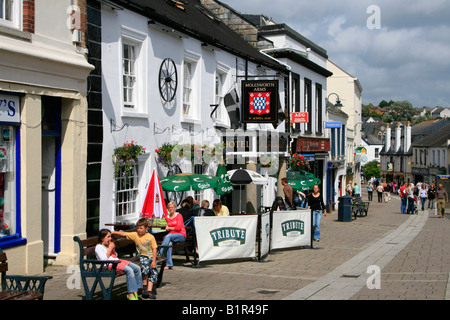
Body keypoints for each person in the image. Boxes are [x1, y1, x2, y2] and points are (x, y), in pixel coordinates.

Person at [112, 218, 158, 299]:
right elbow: (123, 234)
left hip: (151, 256)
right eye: (137, 228)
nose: (139, 230)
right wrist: (113, 232)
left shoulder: (150, 237)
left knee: (153, 272)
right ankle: (144, 289)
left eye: (141, 228)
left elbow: (154, 249)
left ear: (146, 228)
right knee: (146, 269)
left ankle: (149, 291)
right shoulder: (135, 235)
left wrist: (154, 261)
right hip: (143, 256)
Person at [95, 229, 143, 300]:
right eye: (108, 237)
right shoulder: (98, 247)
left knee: (137, 268)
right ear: (102, 238)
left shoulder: (107, 245)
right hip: (109, 265)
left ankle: (136, 291)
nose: (110, 238)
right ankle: (130, 294)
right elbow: (103, 260)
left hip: (116, 261)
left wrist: (113, 249)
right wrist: (110, 249)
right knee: (129, 271)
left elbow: (115, 255)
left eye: (110, 236)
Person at [160, 201, 186, 268]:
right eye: (169, 207)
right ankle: (169, 264)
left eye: (172, 207)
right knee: (169, 244)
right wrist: (166, 227)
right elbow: (165, 226)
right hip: (171, 235)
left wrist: (169, 228)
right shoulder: (167, 217)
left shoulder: (179, 215)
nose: (170, 209)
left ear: (175, 208)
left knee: (167, 236)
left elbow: (178, 228)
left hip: (181, 235)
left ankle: (160, 253)